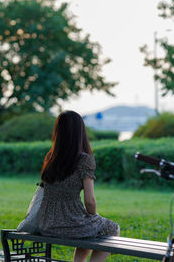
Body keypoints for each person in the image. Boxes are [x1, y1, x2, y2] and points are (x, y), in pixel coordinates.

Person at [39, 110, 120, 262]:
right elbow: (89, 201)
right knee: (112, 229)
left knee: (91, 229)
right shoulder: (84, 160)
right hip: (70, 223)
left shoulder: (50, 157)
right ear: (80, 131)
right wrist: (94, 216)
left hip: (46, 223)